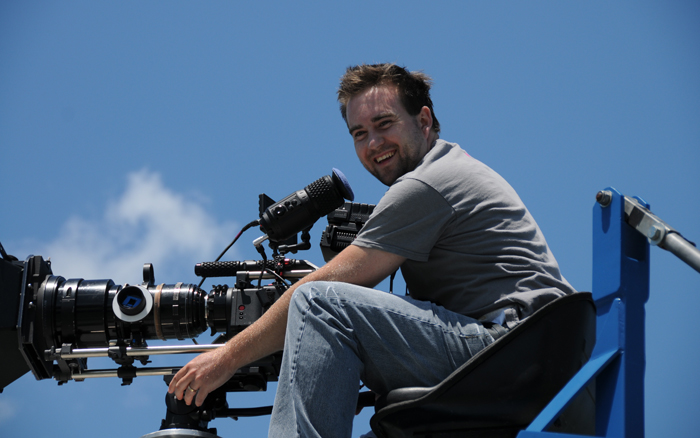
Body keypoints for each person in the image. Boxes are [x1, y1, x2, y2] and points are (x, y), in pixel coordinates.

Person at [168, 63, 576, 438]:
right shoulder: (450, 167)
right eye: (359, 133)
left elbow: (325, 292)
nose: (373, 143)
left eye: (384, 124)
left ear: (424, 119)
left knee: (319, 303)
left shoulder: (428, 182)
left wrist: (225, 358)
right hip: (530, 363)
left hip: (512, 353)